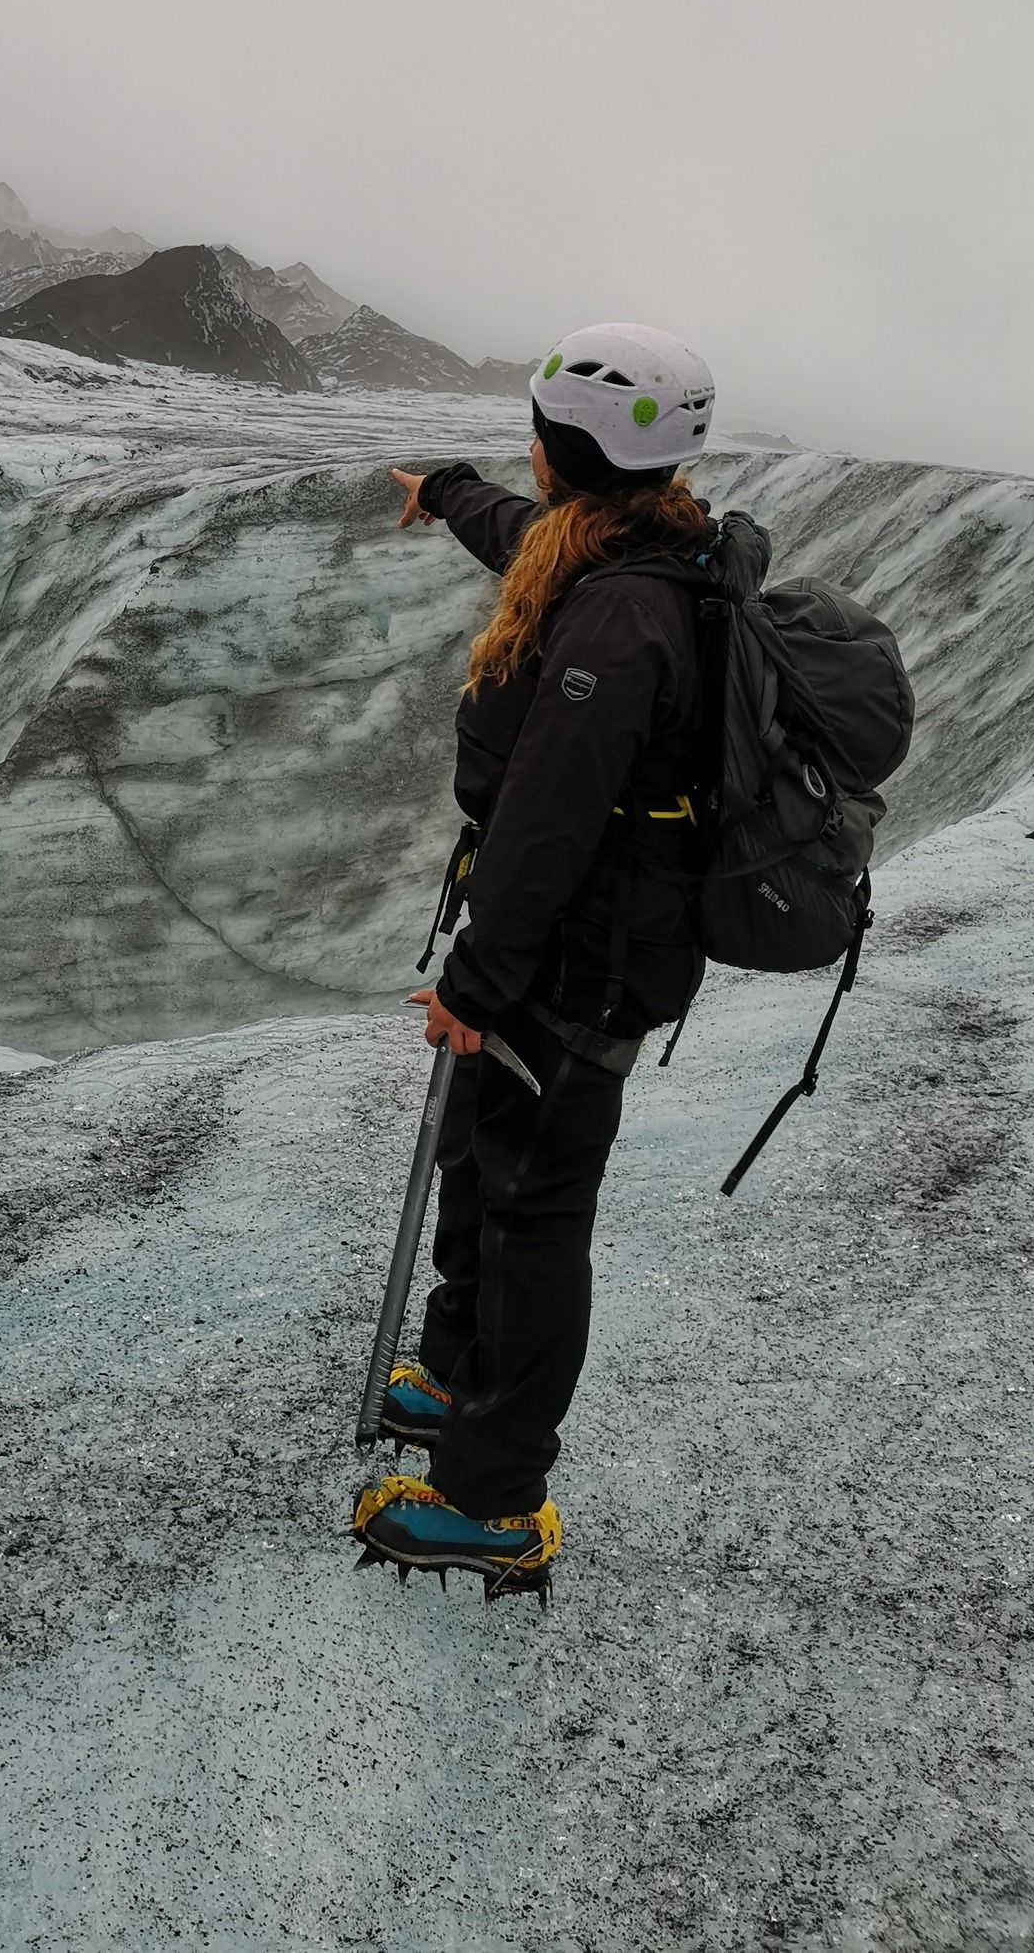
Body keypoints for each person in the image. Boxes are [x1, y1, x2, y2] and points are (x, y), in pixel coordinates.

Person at [352, 323, 720, 1585]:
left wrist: (475, 982)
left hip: (578, 964)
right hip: (569, 950)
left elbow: (548, 822)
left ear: (571, 451)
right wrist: (440, 495)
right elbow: (518, 527)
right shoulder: (619, 550)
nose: (529, 454)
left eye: (539, 436)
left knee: (530, 1214)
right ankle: (455, 1374)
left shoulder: (618, 622)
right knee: (480, 1165)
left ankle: (492, 1500)